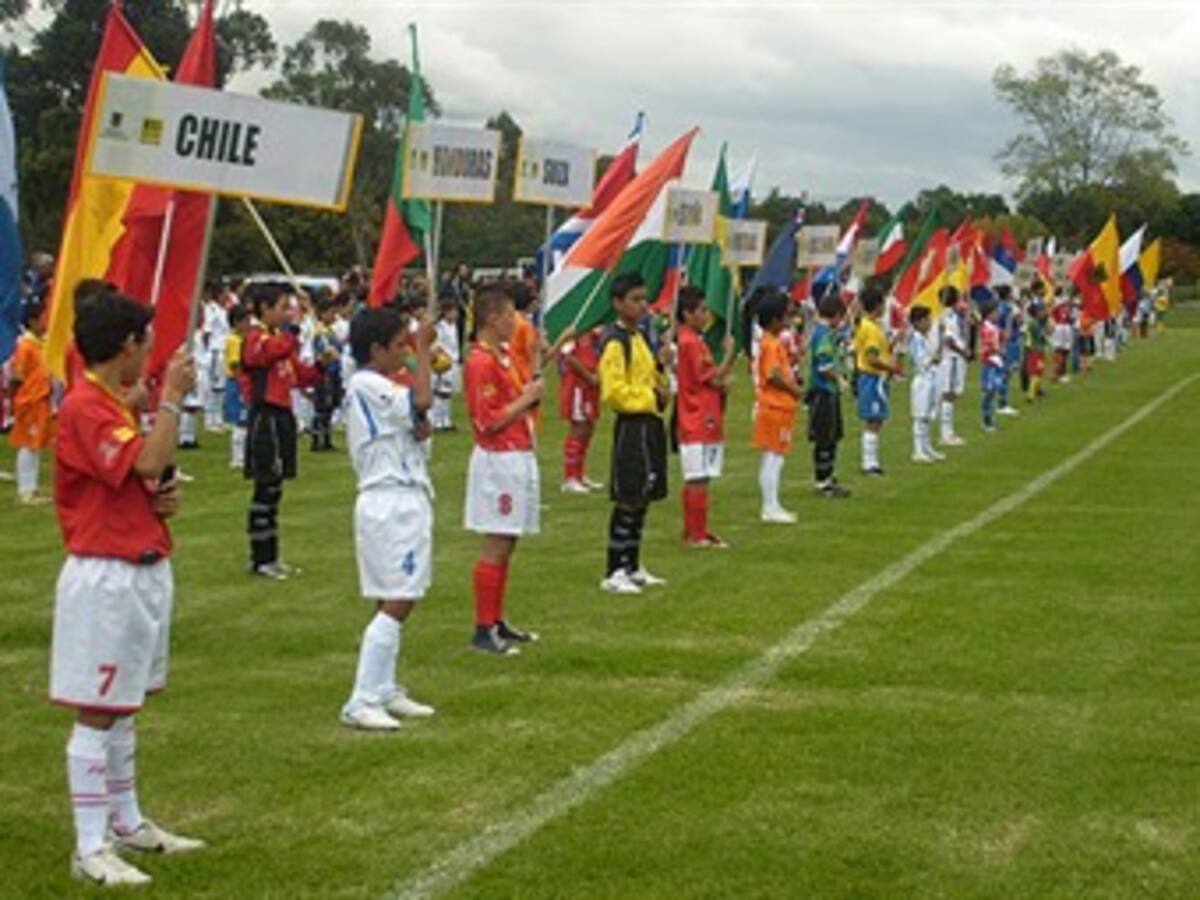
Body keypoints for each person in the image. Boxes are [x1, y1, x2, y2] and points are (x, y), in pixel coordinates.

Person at [51, 291, 203, 886]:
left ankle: (126, 820)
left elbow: (147, 475)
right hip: (105, 572)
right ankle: (89, 845)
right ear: (126, 346)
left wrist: (163, 496)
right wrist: (170, 401)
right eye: (145, 339)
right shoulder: (87, 406)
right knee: (98, 709)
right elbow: (143, 463)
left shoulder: (111, 404)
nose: (150, 352)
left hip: (140, 563)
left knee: (124, 707)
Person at [339, 307, 438, 731]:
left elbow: (415, 417)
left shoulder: (379, 386)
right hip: (389, 499)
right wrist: (425, 349)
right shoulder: (366, 383)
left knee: (393, 593)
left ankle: (383, 687)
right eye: (400, 346)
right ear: (376, 350)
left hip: (402, 494)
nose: (405, 354)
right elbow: (422, 399)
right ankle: (361, 697)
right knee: (401, 596)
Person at [463, 284, 544, 654]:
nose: (516, 322)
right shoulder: (480, 362)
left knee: (509, 539)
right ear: (492, 318)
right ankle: (483, 626)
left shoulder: (504, 356)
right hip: (498, 458)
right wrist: (525, 401)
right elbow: (486, 420)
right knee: (496, 540)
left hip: (517, 452)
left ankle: (496, 619)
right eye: (510, 316)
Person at [241, 283, 319, 580]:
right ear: (265, 309)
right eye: (281, 307)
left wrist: (321, 370)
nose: (286, 313)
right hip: (266, 416)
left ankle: (271, 555)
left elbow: (297, 371)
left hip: (283, 415)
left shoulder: (277, 340)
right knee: (266, 486)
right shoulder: (255, 338)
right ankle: (261, 557)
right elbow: (267, 355)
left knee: (276, 488)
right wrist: (295, 329)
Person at [598, 272, 669, 595]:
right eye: (635, 300)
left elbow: (647, 375)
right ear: (617, 303)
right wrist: (649, 398)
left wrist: (661, 374)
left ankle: (633, 563)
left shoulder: (639, 336)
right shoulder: (616, 341)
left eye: (644, 299)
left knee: (645, 494)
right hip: (632, 424)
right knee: (628, 495)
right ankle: (614, 568)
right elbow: (613, 391)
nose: (642, 305)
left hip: (650, 422)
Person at [674, 286, 735, 546]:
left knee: (699, 474)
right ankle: (696, 533)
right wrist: (730, 355)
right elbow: (708, 377)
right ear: (687, 313)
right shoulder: (689, 342)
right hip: (698, 416)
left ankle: (695, 528)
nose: (705, 315)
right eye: (701, 310)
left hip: (702, 413)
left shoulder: (693, 340)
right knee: (698, 475)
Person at [753, 288, 803, 523]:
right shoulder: (771, 344)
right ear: (775, 320)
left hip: (776, 407)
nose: (788, 320)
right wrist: (794, 390)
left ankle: (771, 504)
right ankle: (770, 506)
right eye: (785, 316)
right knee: (775, 457)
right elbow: (772, 374)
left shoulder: (770, 342)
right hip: (775, 406)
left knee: (773, 457)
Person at [853, 286, 903, 476]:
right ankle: (869, 463)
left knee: (878, 419)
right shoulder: (871, 329)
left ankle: (872, 461)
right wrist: (892, 368)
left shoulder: (870, 325)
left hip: (874, 378)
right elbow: (872, 358)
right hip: (872, 377)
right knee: (873, 420)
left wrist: (893, 343)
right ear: (878, 305)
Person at [9, 300, 54, 504]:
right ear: (32, 321)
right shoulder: (25, 346)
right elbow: (17, 376)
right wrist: (17, 401)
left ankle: (32, 488)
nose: (46, 322)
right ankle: (25, 489)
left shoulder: (40, 344)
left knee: (36, 444)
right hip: (29, 401)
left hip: (40, 400)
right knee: (28, 445)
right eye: (42, 319)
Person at [807, 293, 851, 498]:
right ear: (835, 315)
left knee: (832, 435)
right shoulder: (823, 335)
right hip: (823, 392)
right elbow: (824, 366)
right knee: (826, 437)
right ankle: (823, 481)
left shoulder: (824, 333)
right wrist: (839, 379)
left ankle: (828, 475)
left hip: (827, 392)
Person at [559, 324, 603, 494]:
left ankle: (580, 473)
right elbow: (569, 358)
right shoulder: (573, 329)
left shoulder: (591, 331)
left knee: (589, 427)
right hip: (578, 385)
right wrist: (589, 376)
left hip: (590, 386)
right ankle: (570, 477)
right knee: (579, 427)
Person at [907, 305, 943, 463]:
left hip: (931, 377)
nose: (929, 323)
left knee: (927, 415)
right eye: (927, 320)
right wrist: (933, 358)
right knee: (920, 416)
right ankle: (918, 449)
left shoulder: (925, 337)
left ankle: (927, 446)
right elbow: (922, 361)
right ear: (918, 322)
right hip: (922, 378)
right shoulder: (916, 339)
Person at [936, 286, 970, 447]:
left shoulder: (953, 315)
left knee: (953, 394)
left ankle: (948, 430)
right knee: (948, 394)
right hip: (951, 358)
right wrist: (962, 351)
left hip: (955, 358)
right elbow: (949, 340)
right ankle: (946, 433)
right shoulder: (946, 316)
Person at [310, 296, 343, 452]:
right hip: (324, 373)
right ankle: (317, 439)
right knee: (322, 406)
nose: (334, 316)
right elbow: (320, 353)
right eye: (330, 312)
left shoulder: (330, 332)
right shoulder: (319, 332)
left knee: (330, 407)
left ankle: (327, 438)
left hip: (334, 371)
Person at [224, 304, 251, 470]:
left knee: (246, 419)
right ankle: (237, 457)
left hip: (244, 381)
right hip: (237, 382)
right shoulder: (233, 340)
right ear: (236, 322)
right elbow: (235, 365)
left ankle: (245, 455)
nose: (248, 324)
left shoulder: (244, 339)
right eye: (245, 321)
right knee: (240, 421)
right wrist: (243, 381)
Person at [431, 293, 461, 432]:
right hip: (444, 362)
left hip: (453, 362)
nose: (455, 314)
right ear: (445, 312)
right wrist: (442, 358)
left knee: (448, 393)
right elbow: (437, 345)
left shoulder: (453, 326)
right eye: (452, 311)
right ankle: (437, 420)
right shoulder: (440, 327)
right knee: (440, 392)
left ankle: (446, 419)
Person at [978, 301, 1005, 432]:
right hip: (989, 362)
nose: (998, 314)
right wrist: (995, 350)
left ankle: (991, 419)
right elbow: (986, 345)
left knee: (994, 390)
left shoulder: (994, 327)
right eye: (995, 312)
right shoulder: (986, 328)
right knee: (989, 391)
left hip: (996, 361)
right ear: (989, 314)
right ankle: (986, 420)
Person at [1023, 301, 1049, 403]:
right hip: (1036, 350)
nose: (1044, 312)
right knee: (1036, 372)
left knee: (1038, 371)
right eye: (1042, 310)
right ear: (1037, 312)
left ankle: (1035, 391)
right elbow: (1042, 335)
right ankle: (1030, 394)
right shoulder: (1034, 323)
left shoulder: (1034, 322)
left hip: (1035, 350)